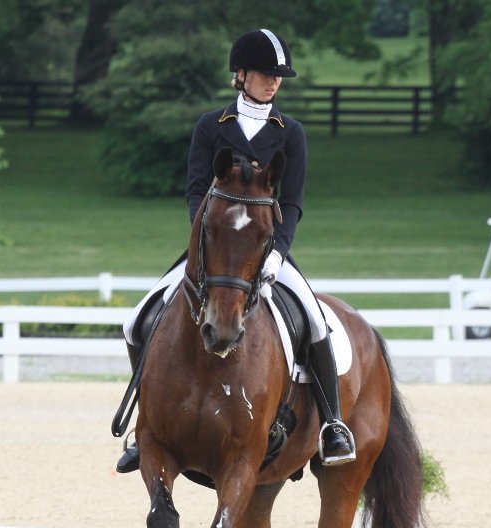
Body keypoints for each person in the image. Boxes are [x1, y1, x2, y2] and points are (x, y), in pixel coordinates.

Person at [115, 27, 356, 473]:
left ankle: (333, 424)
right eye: (266, 73)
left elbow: (293, 201)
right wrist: (206, 242)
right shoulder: (211, 126)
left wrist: (278, 254)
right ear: (241, 74)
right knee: (137, 321)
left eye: (279, 76)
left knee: (316, 322)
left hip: (268, 250)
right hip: (213, 251)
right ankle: (145, 419)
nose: (274, 82)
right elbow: (194, 192)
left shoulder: (291, 133)